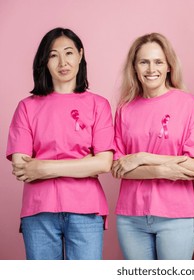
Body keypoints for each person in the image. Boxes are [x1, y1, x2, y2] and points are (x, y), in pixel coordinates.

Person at [6, 28, 115, 260]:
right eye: (53, 55)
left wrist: (44, 167)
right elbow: (22, 167)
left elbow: (104, 163)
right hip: (38, 210)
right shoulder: (27, 107)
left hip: (86, 210)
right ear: (44, 61)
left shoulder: (99, 105)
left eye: (69, 53)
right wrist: (83, 164)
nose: (63, 62)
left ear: (80, 55)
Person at [111, 33, 194, 260]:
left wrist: (140, 157)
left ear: (168, 66)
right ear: (134, 67)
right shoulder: (125, 108)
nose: (150, 69)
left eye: (158, 61)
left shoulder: (189, 105)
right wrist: (162, 169)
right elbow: (118, 167)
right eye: (143, 62)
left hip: (176, 215)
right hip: (131, 217)